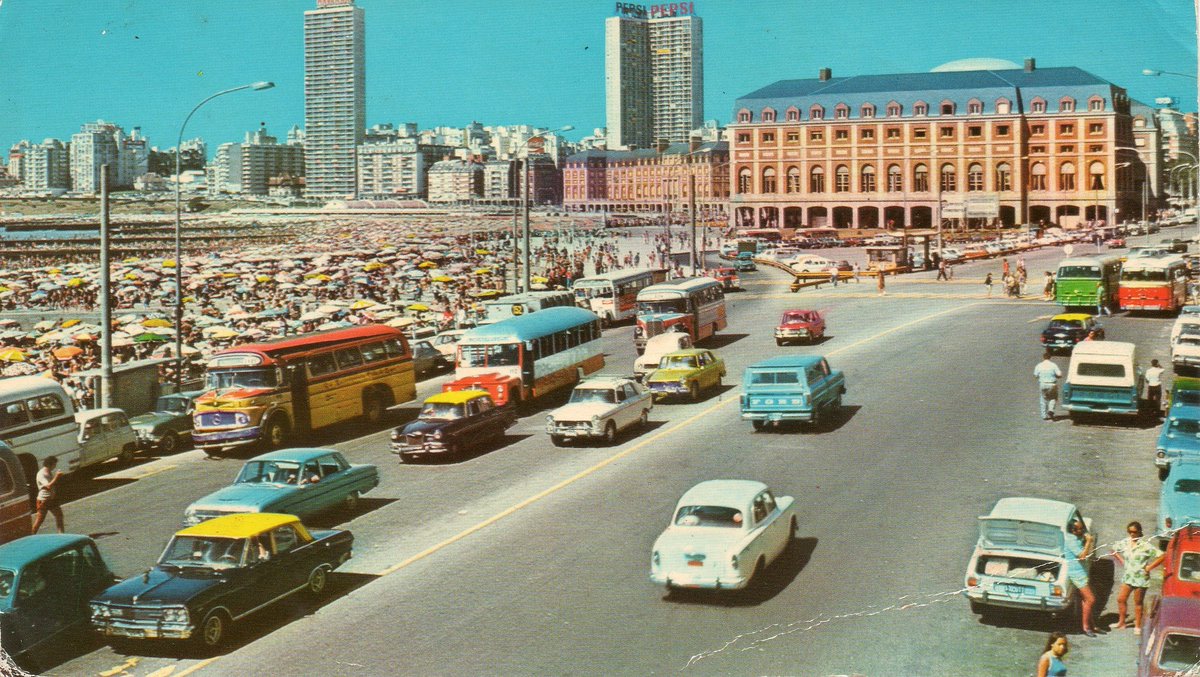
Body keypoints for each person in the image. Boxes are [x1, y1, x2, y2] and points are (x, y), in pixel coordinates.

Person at [1110, 521, 1161, 634]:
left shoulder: (1145, 545)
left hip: (1140, 578)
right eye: (1129, 532)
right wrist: (1122, 560)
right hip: (1128, 576)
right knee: (1121, 599)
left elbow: (1162, 555)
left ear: (1139, 532)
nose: (1132, 534)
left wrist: (1149, 567)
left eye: (1134, 532)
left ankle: (1137, 626)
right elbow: (1113, 549)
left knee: (1138, 603)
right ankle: (1121, 622)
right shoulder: (1125, 542)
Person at [1065, 519, 1098, 636]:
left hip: (1082, 572)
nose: (1083, 530)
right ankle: (1085, 627)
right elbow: (1082, 556)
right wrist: (1088, 541)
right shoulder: (1071, 541)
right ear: (1073, 530)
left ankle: (1092, 625)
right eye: (1080, 529)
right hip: (1077, 574)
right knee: (1090, 599)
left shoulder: (1077, 537)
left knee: (1086, 600)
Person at [31, 456, 64, 534]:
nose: (55, 466)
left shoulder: (48, 471)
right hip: (44, 500)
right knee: (39, 521)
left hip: (51, 499)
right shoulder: (42, 474)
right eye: (54, 464)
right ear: (51, 464)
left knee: (59, 516)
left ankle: (61, 535)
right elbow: (48, 486)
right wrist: (57, 477)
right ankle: (31, 536)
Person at [1034, 351, 1063, 421]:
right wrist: (1056, 376)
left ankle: (1044, 415)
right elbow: (1059, 374)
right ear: (1050, 357)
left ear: (1043, 357)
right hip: (1052, 384)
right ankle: (1051, 410)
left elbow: (1035, 375)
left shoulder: (1039, 365)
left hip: (1043, 384)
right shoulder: (1053, 365)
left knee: (1043, 399)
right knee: (1053, 398)